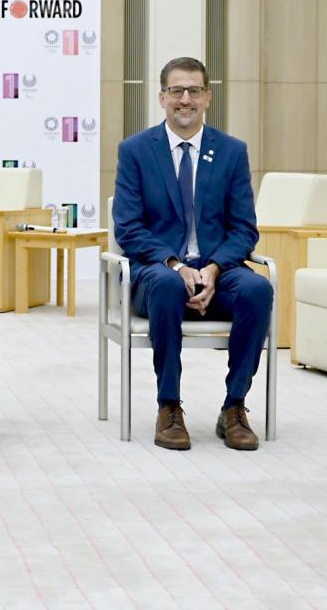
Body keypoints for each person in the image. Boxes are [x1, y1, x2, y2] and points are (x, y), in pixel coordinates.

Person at [113, 56, 273, 451]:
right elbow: (129, 228)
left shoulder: (232, 152)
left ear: (207, 97)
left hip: (220, 269)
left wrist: (216, 268)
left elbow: (244, 228)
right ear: (162, 97)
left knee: (258, 290)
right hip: (160, 270)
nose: (185, 99)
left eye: (194, 91)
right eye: (177, 91)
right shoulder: (135, 151)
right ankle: (169, 406)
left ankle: (234, 406)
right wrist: (176, 264)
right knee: (167, 284)